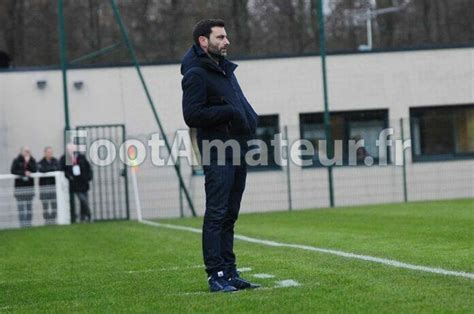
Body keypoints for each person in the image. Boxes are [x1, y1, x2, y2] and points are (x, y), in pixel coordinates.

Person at [181, 19, 260, 292]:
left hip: (238, 148)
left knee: (230, 215)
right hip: (217, 151)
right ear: (204, 41)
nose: (227, 42)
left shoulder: (224, 69)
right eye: (221, 37)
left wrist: (250, 118)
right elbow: (192, 115)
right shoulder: (195, 74)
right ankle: (215, 275)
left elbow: (238, 102)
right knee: (216, 214)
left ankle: (230, 272)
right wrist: (227, 113)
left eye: (226, 37)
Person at [60, 144, 93, 222]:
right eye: (70, 149)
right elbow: (63, 169)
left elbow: (88, 168)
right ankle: (88, 214)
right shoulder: (65, 158)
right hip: (74, 183)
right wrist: (69, 176)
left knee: (84, 201)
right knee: (82, 199)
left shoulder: (81, 157)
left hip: (83, 182)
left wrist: (89, 177)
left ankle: (83, 217)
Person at [10, 146, 37, 227]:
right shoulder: (16, 160)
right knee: (21, 208)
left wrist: (28, 162)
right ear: (21, 152)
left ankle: (29, 224)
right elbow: (13, 170)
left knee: (29, 207)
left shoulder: (32, 160)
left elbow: (35, 169)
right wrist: (24, 173)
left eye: (28, 151)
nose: (27, 153)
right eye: (26, 151)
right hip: (20, 188)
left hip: (29, 187)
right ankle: (22, 224)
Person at [38, 146, 60, 224]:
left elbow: (57, 168)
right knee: (45, 206)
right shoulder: (41, 162)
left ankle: (53, 220)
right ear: (45, 153)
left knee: (54, 205)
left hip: (54, 187)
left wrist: (47, 169)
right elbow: (41, 169)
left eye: (51, 152)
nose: (49, 154)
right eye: (48, 152)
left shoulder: (56, 161)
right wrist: (50, 169)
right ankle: (47, 221)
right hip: (44, 187)